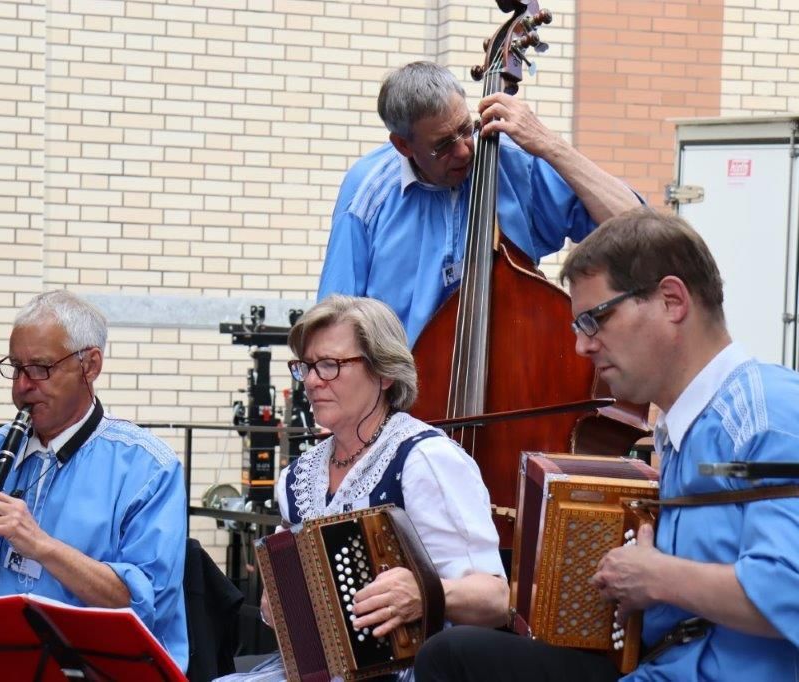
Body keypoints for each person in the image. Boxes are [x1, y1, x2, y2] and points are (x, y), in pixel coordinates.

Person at [414, 207, 799, 681]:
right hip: (659, 668)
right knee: (454, 654)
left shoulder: (769, 414)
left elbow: (789, 589)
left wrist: (654, 577)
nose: (582, 346)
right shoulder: (683, 429)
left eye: (595, 319)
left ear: (672, 301)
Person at [221, 294, 508, 681]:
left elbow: (495, 598)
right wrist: (279, 604)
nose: (312, 381)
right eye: (306, 366)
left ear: (384, 373)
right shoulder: (298, 476)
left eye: (330, 365)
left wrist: (425, 593)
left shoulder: (424, 459)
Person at [0, 290, 189, 675]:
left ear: (90, 365)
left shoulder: (149, 469)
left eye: (40, 368)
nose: (22, 385)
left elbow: (146, 606)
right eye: (16, 368)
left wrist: (41, 545)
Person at [318, 61, 641, 346]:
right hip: (403, 390)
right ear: (403, 145)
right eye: (443, 145)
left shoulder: (513, 162)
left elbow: (638, 230)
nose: (464, 151)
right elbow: (333, 324)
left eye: (466, 129)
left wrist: (551, 146)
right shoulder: (367, 192)